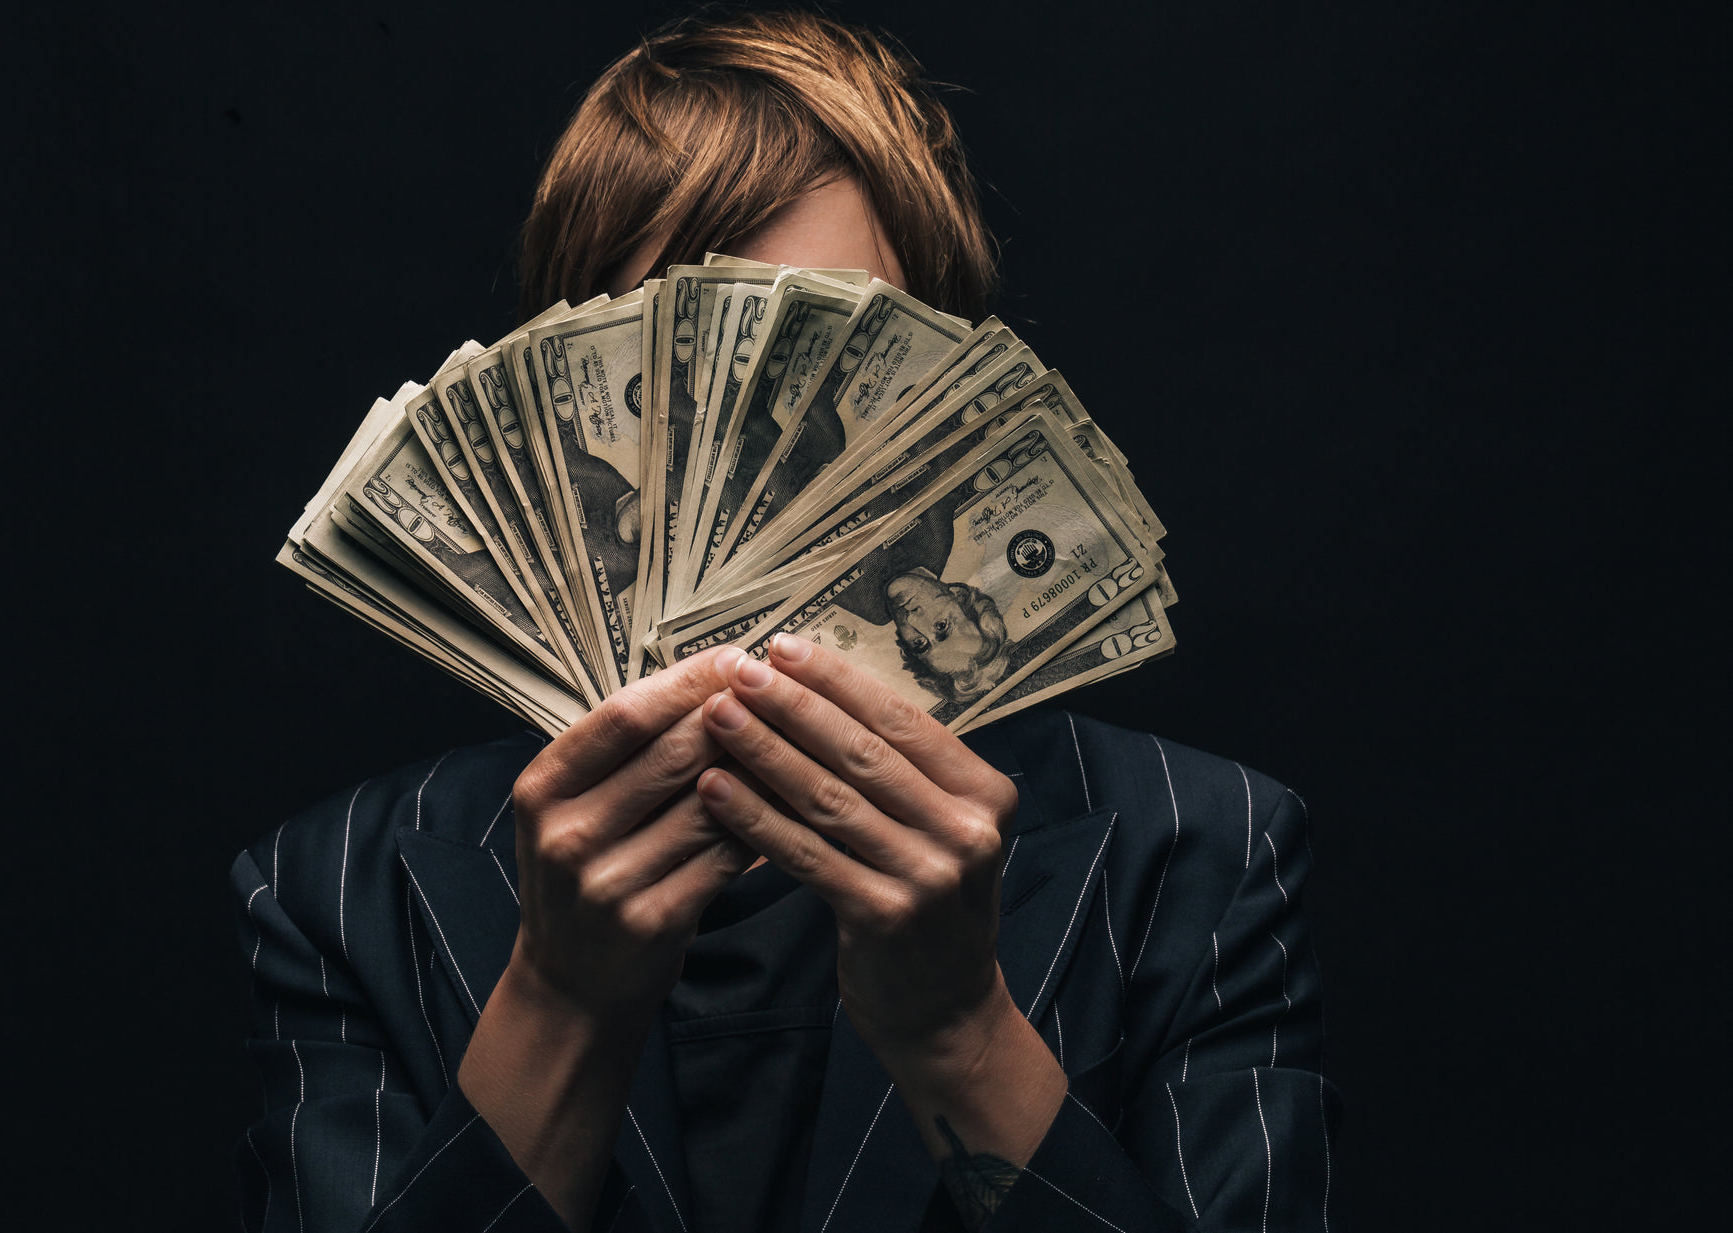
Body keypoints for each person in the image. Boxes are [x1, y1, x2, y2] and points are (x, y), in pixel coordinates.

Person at [232, 11, 1341, 1232]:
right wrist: (558, 1002)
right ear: (554, 414)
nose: (761, 456)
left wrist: (959, 1032)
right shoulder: (338, 889)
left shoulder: (1198, 854)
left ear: (949, 404)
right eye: (685, 360)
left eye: (822, 356)